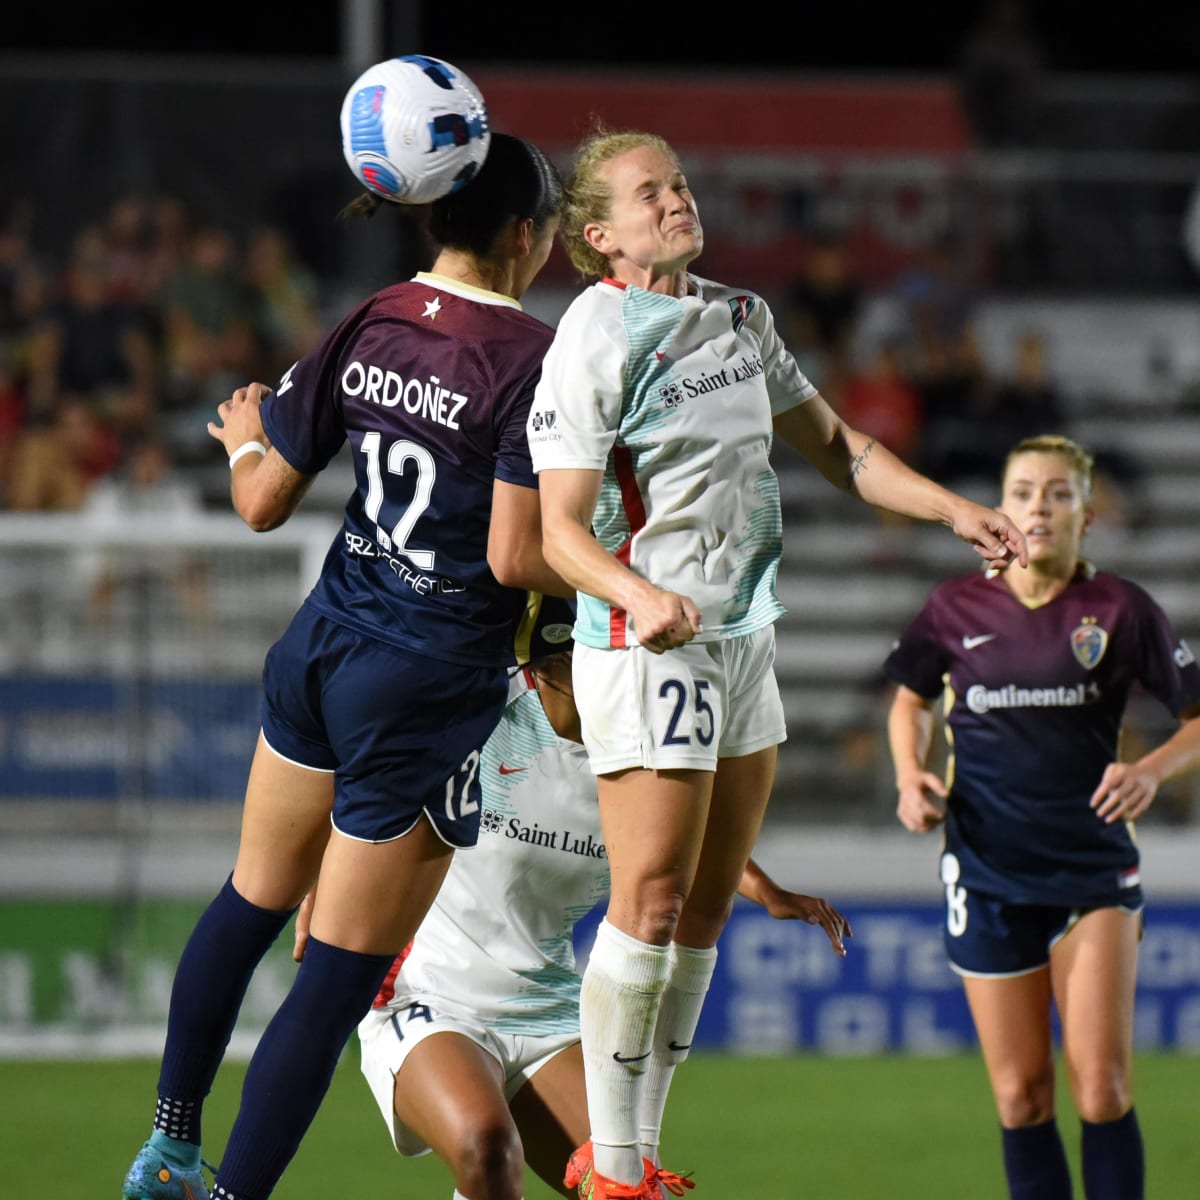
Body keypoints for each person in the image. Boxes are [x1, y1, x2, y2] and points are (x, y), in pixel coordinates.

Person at [524, 126, 1029, 1200]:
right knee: (650, 899)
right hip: (644, 638)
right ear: (598, 233)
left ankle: (640, 1153)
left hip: (743, 638)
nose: (678, 198)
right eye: (650, 191)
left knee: (705, 908)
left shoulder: (741, 317)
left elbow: (839, 447)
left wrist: (954, 509)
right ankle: (611, 1172)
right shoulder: (595, 333)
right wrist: (635, 593)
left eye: (681, 181)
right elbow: (557, 531)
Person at [121, 130, 570, 1200]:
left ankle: (170, 1143)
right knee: (334, 988)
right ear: (524, 234)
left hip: (323, 643)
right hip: (424, 685)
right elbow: (515, 555)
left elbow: (263, 501)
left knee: (252, 898)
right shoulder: (532, 361)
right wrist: (617, 571)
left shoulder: (371, 321)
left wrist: (239, 439)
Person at [324, 596, 848, 1200]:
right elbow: (372, 782)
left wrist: (766, 891)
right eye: (584, 659)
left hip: (550, 1013)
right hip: (433, 997)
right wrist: (327, 882)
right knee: (488, 1149)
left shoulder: (631, 756)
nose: (607, 676)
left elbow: (686, 846)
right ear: (545, 665)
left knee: (626, 1188)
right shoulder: (483, 715)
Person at [883, 434, 1200, 1200]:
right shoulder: (954, 607)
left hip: (1091, 871)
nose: (1040, 506)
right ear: (1001, 506)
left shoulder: (1121, 608)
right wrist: (909, 776)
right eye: (1025, 490)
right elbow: (910, 701)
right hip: (986, 872)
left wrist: (1151, 770)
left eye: (1060, 493)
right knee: (1022, 1098)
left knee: (1102, 1089)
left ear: (1088, 515)